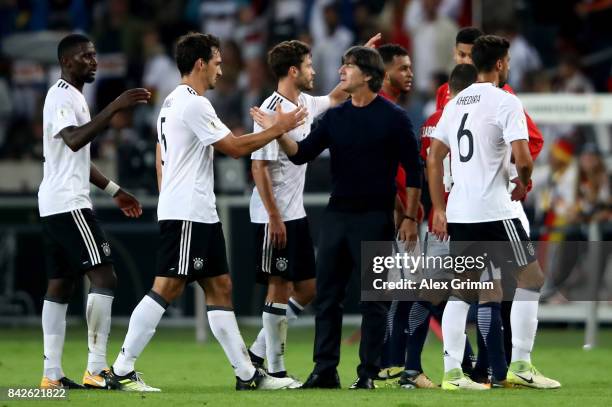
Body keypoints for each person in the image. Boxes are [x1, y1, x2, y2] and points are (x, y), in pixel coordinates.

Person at [108, 32, 306, 392]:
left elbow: (159, 155)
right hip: (188, 210)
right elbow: (233, 147)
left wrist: (169, 191)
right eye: (216, 61)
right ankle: (121, 369)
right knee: (168, 286)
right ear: (200, 63)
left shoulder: (171, 102)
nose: (221, 68)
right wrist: (278, 128)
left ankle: (248, 376)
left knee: (220, 287)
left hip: (196, 209)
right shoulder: (194, 104)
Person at [256, 46, 423, 389]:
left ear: (368, 75)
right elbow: (302, 155)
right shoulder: (334, 117)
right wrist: (277, 131)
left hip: (376, 217)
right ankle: (325, 370)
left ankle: (367, 374)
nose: (341, 71)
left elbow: (415, 170)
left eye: (349, 66)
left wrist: (408, 217)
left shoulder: (394, 116)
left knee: (372, 299)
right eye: (343, 64)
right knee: (328, 295)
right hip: (337, 215)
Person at [428, 34, 561, 390]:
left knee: (462, 290)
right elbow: (524, 156)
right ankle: (520, 362)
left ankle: (453, 373)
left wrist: (439, 206)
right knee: (531, 280)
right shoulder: (505, 101)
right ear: (500, 64)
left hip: (460, 211)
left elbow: (434, 156)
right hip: (496, 209)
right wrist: (522, 181)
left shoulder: (454, 103)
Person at [247, 36, 379, 386]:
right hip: (271, 216)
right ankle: (274, 369)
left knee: (307, 290)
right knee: (278, 285)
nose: (313, 70)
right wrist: (274, 216)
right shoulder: (270, 110)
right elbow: (258, 168)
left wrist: (362, 58)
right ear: (293, 71)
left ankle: (257, 352)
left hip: (295, 214)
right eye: (308, 65)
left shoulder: (304, 102)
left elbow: (338, 96)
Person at [39, 33, 150, 389]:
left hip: (57, 201)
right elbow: (74, 139)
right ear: (67, 62)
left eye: (95, 55)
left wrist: (115, 190)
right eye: (86, 56)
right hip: (68, 202)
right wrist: (114, 107)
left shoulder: (74, 97)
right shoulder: (60, 94)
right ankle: (97, 368)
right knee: (104, 277)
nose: (93, 61)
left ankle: (51, 375)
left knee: (60, 284)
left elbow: (76, 155)